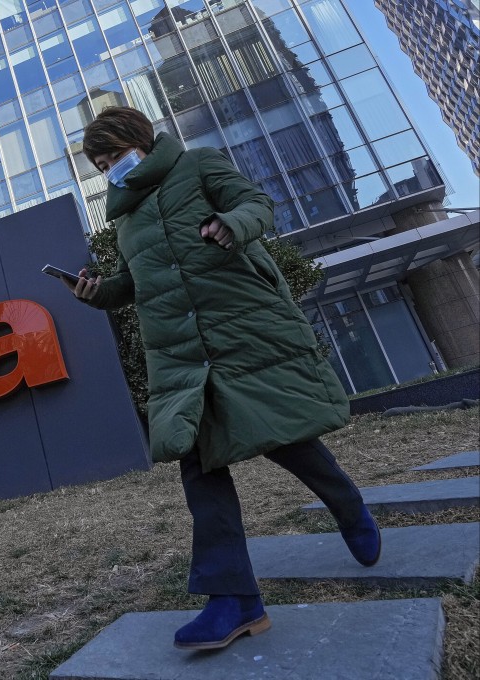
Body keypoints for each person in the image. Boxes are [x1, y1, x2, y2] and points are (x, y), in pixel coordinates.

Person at [68, 107, 381, 651]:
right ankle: (234, 599)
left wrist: (231, 225)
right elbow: (137, 281)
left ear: (141, 142)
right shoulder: (127, 216)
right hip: (180, 350)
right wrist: (99, 293)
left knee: (282, 437)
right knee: (198, 462)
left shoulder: (199, 165)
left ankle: (348, 505)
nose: (110, 170)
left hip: (239, 325)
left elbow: (258, 205)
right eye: (101, 166)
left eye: (114, 156)